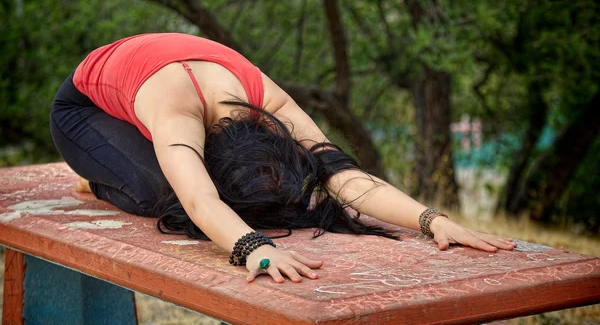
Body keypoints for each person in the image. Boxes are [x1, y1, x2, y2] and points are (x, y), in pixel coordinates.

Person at [50, 33, 516, 284]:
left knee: (190, 188)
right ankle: (100, 178)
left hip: (151, 90)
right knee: (164, 195)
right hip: (82, 112)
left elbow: (341, 173)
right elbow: (200, 201)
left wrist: (431, 220)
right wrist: (256, 249)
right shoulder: (177, 118)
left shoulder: (266, 102)